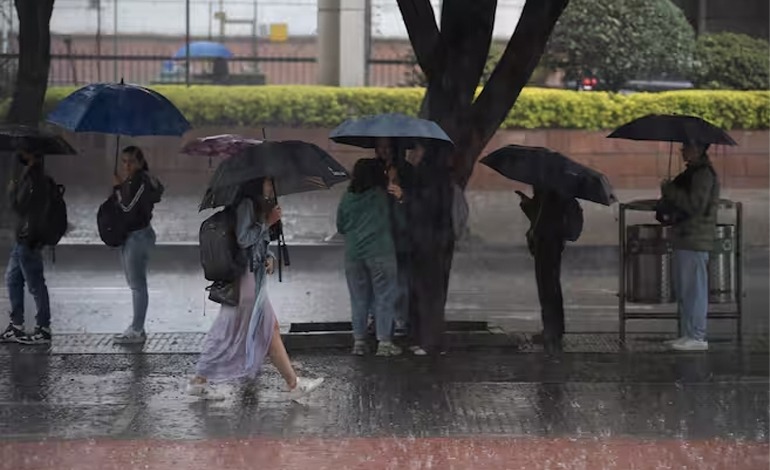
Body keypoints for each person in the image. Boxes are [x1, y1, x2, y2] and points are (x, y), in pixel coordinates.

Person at [188, 178, 325, 400]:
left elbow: (258, 244)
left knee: (255, 329)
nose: (272, 187)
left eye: (272, 183)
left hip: (253, 277)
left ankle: (200, 380)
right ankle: (293, 384)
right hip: (246, 280)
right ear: (256, 185)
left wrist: (268, 255)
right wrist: (267, 223)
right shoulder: (246, 205)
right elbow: (244, 239)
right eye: (268, 183)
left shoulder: (258, 205)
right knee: (248, 330)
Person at [337, 158, 402, 356]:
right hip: (380, 253)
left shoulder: (347, 197)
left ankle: (359, 342)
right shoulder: (383, 196)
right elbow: (399, 221)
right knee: (384, 296)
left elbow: (340, 226)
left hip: (353, 255)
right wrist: (398, 195)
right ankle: (384, 343)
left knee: (358, 299)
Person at [660, 141, 719, 351]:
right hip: (685, 236)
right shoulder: (692, 173)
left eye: (686, 147)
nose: (682, 150)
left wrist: (671, 191)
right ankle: (688, 333)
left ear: (697, 149)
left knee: (695, 289)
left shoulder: (703, 174)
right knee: (686, 289)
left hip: (695, 237)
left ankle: (697, 335)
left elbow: (695, 205)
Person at [112, 146, 164, 344]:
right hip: (132, 236)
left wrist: (118, 188)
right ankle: (136, 328)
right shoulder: (135, 180)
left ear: (140, 162)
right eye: (124, 161)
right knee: (135, 284)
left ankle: (137, 329)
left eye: (131, 161)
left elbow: (127, 208)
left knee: (137, 285)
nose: (126, 166)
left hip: (138, 237)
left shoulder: (140, 181)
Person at [406, 142, 454, 356]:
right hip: (436, 241)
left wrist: (404, 196)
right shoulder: (441, 175)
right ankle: (429, 339)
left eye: (417, 149)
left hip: (428, 241)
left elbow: (423, 209)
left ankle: (430, 342)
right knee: (430, 292)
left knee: (427, 292)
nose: (413, 153)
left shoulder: (427, 176)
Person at [1, 149, 53, 345]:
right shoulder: (33, 176)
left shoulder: (34, 179)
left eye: (23, 150)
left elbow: (21, 208)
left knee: (35, 284)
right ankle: (16, 326)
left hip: (29, 238)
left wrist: (12, 192)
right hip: (22, 238)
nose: (20, 153)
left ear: (32, 154)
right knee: (13, 279)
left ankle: (44, 328)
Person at [517, 188, 570, 354]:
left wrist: (528, 206)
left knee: (547, 285)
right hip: (553, 238)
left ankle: (551, 330)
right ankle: (554, 328)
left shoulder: (547, 187)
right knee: (551, 283)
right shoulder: (553, 186)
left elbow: (542, 215)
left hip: (546, 239)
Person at [374, 137, 413, 336]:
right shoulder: (372, 170)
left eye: (387, 147)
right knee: (379, 281)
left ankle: (400, 320)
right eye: (380, 147)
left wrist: (402, 197)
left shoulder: (409, 172)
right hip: (378, 236)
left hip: (402, 237)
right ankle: (380, 320)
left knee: (401, 280)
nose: (383, 151)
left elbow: (418, 204)